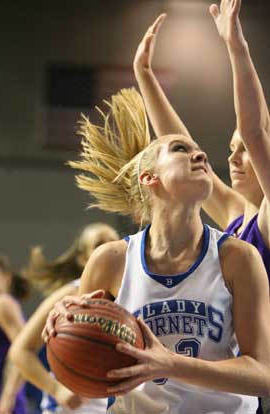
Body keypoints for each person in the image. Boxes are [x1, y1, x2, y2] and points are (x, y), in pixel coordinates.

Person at [42, 87, 270, 414]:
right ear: (150, 177)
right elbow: (82, 346)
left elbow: (263, 374)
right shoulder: (111, 260)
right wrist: (62, 322)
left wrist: (170, 364)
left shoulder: (237, 258)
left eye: (202, 152)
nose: (202, 156)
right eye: (181, 149)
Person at [132, 3, 270, 412]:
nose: (232, 158)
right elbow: (181, 149)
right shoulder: (238, 216)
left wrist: (235, 45)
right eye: (229, 149)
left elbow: (255, 128)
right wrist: (146, 77)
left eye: (244, 151)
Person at [10, 223, 119, 414]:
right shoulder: (71, 293)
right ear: (83, 259)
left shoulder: (131, 291)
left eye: (113, 242)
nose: (108, 249)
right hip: (71, 407)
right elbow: (20, 351)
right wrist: (56, 389)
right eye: (99, 244)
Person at [0, 253, 30, 414]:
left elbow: (25, 351)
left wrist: (7, 397)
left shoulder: (2, 303)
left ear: (6, 278)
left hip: (2, 401)